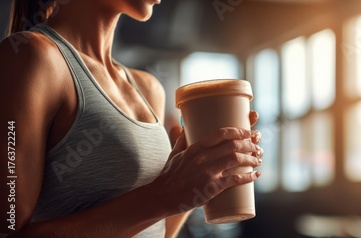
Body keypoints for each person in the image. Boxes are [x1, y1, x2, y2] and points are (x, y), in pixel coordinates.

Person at [0, 0, 263, 237]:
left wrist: (198, 179)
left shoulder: (149, 89)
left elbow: (156, 230)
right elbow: (8, 231)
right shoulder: (30, 57)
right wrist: (163, 194)